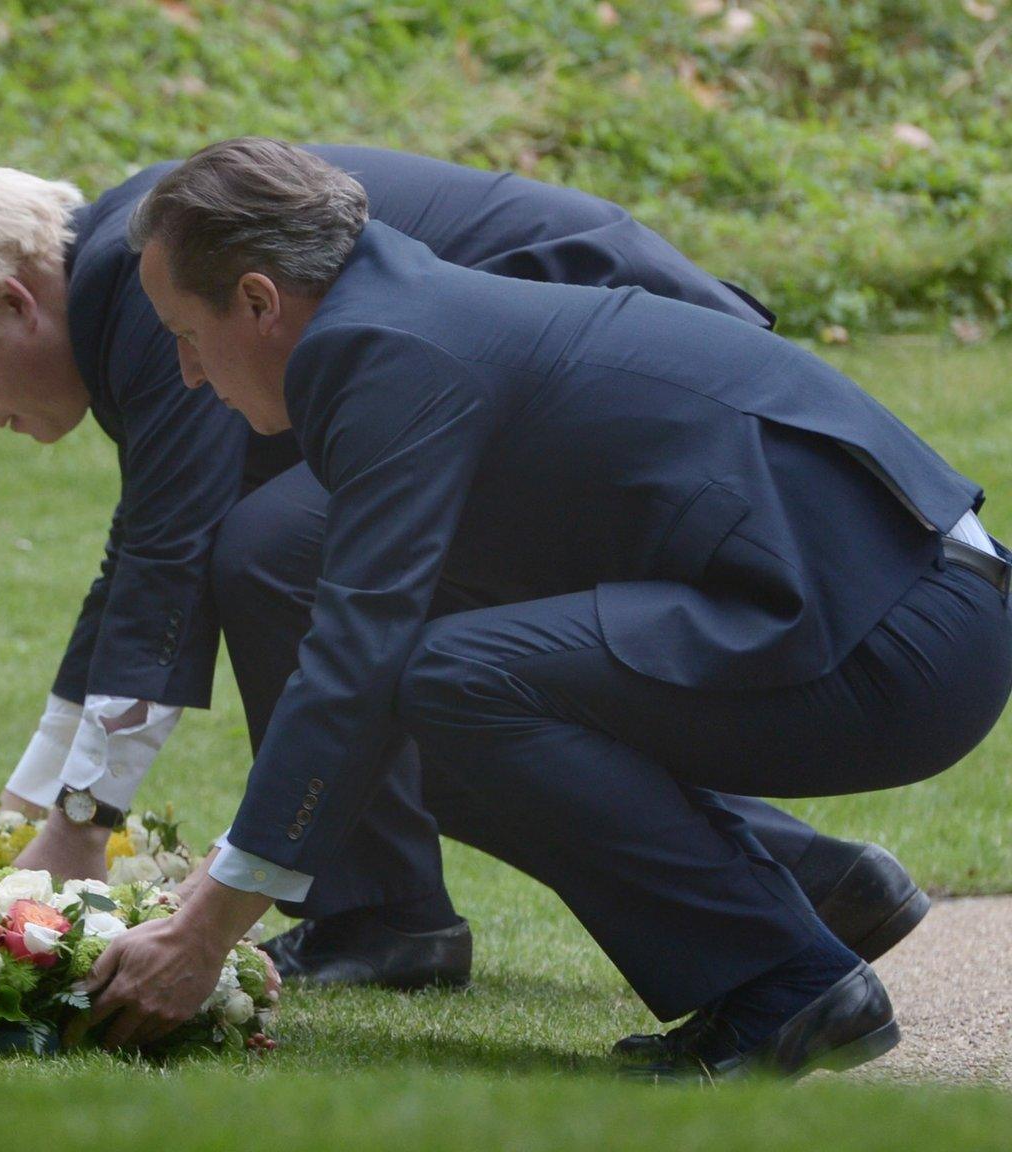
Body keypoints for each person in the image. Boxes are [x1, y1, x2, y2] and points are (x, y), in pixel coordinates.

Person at [0, 147, 929, 998]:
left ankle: (383, 914)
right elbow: (139, 561)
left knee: (295, 573)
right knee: (364, 616)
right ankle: (795, 879)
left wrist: (81, 826)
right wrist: (35, 804)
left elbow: (168, 561)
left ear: (12, 304)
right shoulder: (132, 275)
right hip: (554, 389)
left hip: (636, 400)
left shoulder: (145, 286)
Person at [85, 137, 1009, 1079]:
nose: (188, 373)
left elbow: (354, 657)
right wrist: (227, 877)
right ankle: (787, 916)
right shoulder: (391, 307)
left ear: (256, 300)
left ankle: (786, 980)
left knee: (448, 678)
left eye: (184, 335)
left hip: (903, 636)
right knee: (431, 685)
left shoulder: (378, 349)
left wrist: (206, 928)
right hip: (894, 606)